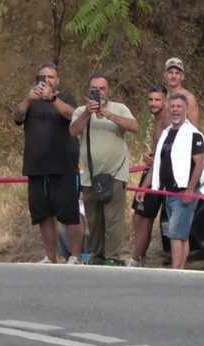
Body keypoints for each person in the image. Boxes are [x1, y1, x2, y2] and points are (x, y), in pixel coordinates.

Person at [13, 62, 82, 264]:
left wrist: (52, 98)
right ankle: (51, 257)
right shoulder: (31, 101)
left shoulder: (65, 97)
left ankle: (76, 256)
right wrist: (28, 99)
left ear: (57, 80)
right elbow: (17, 116)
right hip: (36, 166)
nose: (46, 80)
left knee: (70, 215)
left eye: (51, 77)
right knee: (43, 215)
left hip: (64, 165)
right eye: (43, 77)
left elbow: (73, 115)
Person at [69, 74, 138, 264]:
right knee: (94, 220)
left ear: (109, 90)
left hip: (115, 172)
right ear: (88, 91)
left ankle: (112, 257)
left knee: (113, 220)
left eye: (102, 89)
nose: (99, 92)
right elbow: (73, 131)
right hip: (90, 175)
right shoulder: (80, 111)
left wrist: (108, 114)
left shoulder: (119, 108)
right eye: (94, 89)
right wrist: (87, 113)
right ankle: (97, 256)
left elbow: (134, 126)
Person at [151, 93, 204, 270]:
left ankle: (175, 270)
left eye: (179, 107)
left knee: (175, 233)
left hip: (185, 192)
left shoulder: (194, 135)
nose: (175, 110)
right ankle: (180, 269)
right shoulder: (167, 133)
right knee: (181, 234)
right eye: (172, 106)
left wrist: (190, 189)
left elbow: (199, 164)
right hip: (168, 192)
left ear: (186, 109)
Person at [127, 85, 169, 266]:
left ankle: (135, 259)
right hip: (152, 170)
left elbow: (168, 152)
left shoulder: (167, 119)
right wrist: (150, 155)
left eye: (157, 100)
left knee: (144, 218)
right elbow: (160, 149)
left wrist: (145, 185)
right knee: (138, 216)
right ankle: (140, 256)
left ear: (165, 100)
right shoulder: (158, 118)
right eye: (150, 100)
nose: (153, 103)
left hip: (159, 175)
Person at [163, 57, 200, 124]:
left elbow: (194, 126)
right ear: (165, 75)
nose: (173, 76)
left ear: (182, 76)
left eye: (177, 73)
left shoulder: (189, 98)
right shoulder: (163, 97)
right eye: (170, 72)